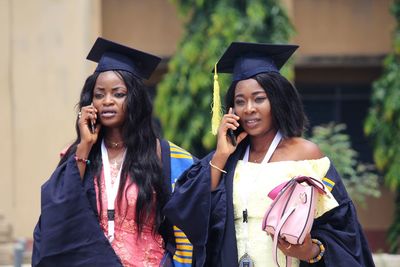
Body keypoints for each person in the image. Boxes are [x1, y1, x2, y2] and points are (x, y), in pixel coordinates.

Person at [163, 42, 375, 266]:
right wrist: (221, 156)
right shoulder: (229, 158)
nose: (249, 108)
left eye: (259, 98)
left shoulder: (306, 155)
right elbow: (187, 210)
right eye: (240, 101)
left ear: (277, 100)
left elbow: (341, 226)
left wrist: (311, 250)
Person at [32, 37, 195, 267]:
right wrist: (85, 145)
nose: (107, 101)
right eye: (100, 94)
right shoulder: (78, 154)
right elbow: (57, 210)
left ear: (135, 99)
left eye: (118, 94)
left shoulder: (163, 155)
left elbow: (194, 208)